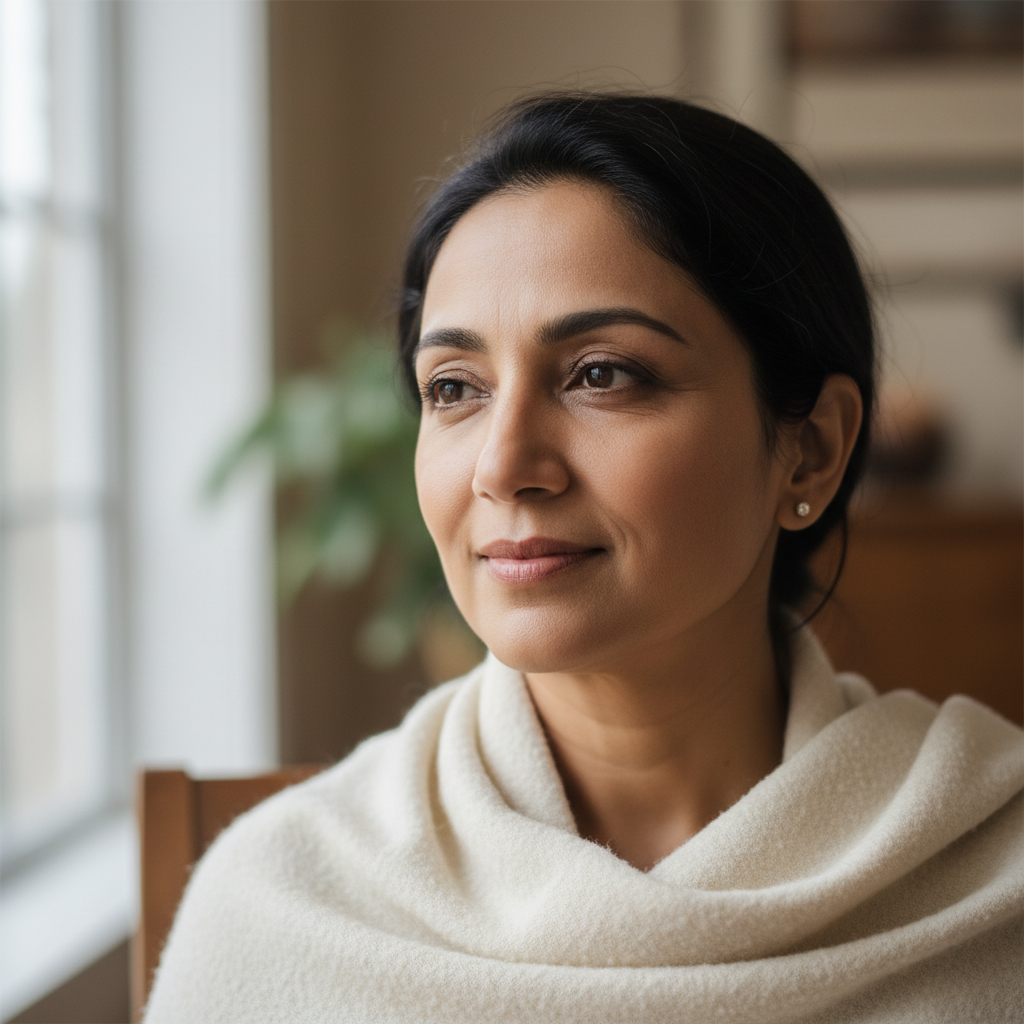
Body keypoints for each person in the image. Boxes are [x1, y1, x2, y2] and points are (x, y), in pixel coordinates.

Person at [144, 94, 1023, 1023]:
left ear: (810, 448)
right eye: (454, 389)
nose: (503, 465)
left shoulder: (991, 874)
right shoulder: (285, 905)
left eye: (603, 373)